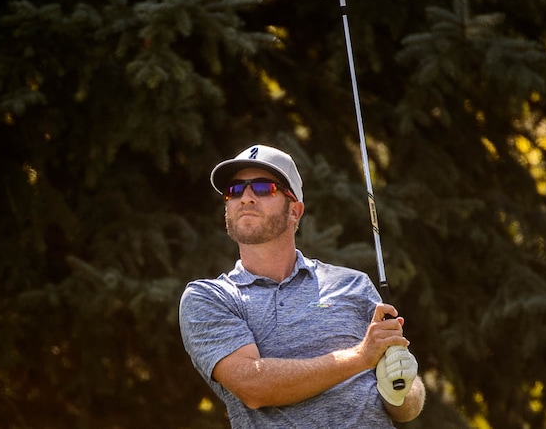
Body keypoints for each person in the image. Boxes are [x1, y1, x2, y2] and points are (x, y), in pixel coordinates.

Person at [179, 144, 425, 428]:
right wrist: (360, 357)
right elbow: (253, 386)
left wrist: (403, 391)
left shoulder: (353, 284)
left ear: (295, 210)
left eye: (262, 188)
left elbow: (406, 403)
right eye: (234, 190)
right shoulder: (210, 298)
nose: (245, 197)